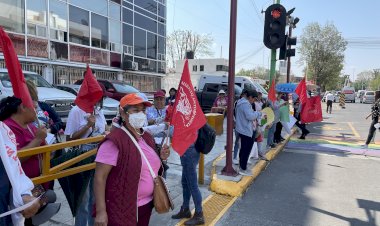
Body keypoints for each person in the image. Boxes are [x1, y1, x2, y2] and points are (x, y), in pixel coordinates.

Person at [94, 93, 170, 226]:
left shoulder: (146, 136)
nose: (140, 114)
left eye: (143, 110)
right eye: (135, 110)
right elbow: (100, 178)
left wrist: (161, 157)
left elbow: (146, 163)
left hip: (146, 205)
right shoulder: (114, 141)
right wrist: (101, 211)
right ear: (123, 113)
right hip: (122, 209)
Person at [64, 88, 106, 226]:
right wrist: (87, 126)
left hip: (98, 158)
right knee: (83, 198)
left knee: (96, 197)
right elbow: (69, 139)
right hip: (81, 157)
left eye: (100, 97)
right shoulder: (76, 111)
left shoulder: (98, 112)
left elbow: (104, 130)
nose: (98, 99)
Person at [171, 143, 205, 225]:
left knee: (193, 185)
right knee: (185, 183)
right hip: (188, 150)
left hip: (189, 151)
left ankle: (199, 215)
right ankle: (185, 210)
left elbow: (173, 131)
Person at [235, 89, 262, 176]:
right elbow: (250, 116)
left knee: (243, 149)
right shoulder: (245, 104)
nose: (254, 101)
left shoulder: (240, 102)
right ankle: (243, 168)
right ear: (250, 97)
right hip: (247, 130)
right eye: (254, 99)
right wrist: (258, 113)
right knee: (246, 150)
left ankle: (241, 166)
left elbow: (248, 114)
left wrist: (254, 113)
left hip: (243, 129)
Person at [233, 89, 249, 165]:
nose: (245, 96)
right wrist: (235, 122)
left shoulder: (247, 103)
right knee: (237, 141)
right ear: (242, 95)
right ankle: (235, 157)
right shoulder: (237, 102)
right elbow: (234, 113)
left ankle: (241, 158)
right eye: (244, 95)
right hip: (238, 125)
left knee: (243, 143)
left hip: (244, 126)